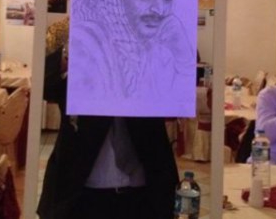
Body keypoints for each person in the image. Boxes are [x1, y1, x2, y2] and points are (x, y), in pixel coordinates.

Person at [37, 31, 179, 219]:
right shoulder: (68, 33)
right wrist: (70, 53)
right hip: (81, 189)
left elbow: (179, 87)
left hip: (144, 190)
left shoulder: (152, 30)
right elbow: (43, 86)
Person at [69, 0, 195, 105]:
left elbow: (177, 102)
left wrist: (183, 56)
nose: (160, 10)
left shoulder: (154, 50)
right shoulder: (86, 42)